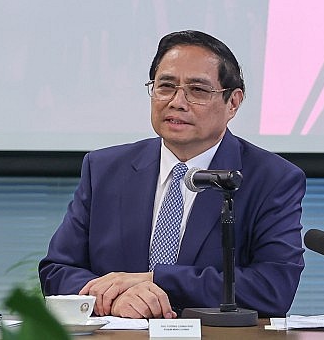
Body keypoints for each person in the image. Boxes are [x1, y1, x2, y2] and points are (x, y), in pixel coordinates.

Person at [39, 30, 305, 319]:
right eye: (166, 86)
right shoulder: (104, 169)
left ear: (233, 103)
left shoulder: (272, 178)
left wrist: (157, 281)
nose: (177, 102)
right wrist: (113, 300)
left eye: (198, 90)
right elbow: (57, 271)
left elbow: (273, 288)